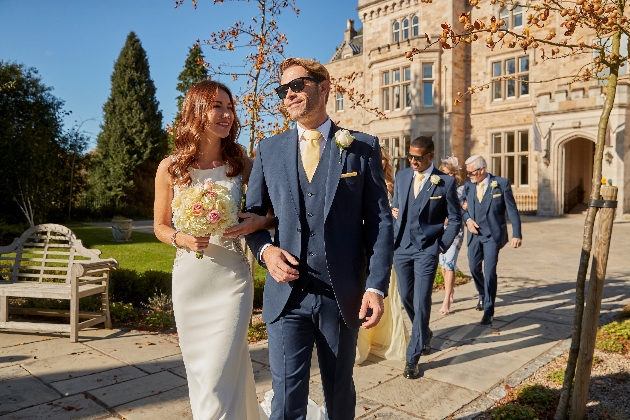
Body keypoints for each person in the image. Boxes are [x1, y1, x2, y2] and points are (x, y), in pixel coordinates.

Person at [244, 57, 394, 419]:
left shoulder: (362, 147)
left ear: (323, 87)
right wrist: (266, 252)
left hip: (342, 293)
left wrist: (375, 287)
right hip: (286, 296)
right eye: (283, 90)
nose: (289, 95)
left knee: (339, 391)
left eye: (297, 85)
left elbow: (380, 223)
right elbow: (252, 218)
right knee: (286, 398)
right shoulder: (269, 150)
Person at [153, 80, 275, 419]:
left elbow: (275, 215)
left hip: (232, 281)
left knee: (220, 371)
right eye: (216, 106)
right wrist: (184, 239)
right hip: (191, 282)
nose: (226, 114)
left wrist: (256, 224)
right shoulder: (171, 168)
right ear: (196, 111)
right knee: (203, 375)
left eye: (229, 107)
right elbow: (160, 226)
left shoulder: (241, 164)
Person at [391, 136, 461, 379]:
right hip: (401, 247)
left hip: (427, 249)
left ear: (430, 156)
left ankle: (413, 356)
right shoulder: (401, 176)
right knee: (406, 296)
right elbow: (396, 207)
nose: (413, 161)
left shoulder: (445, 183)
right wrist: (393, 215)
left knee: (421, 302)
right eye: (410, 156)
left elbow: (455, 219)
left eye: (418, 157)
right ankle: (425, 333)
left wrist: (441, 245)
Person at [355, 146, 409, 364]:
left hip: (385, 244)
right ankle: (362, 340)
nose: (381, 163)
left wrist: (397, 213)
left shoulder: (391, 186)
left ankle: (384, 340)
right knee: (362, 292)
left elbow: (403, 212)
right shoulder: (363, 181)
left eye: (384, 159)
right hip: (363, 243)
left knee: (385, 293)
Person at [462, 155, 522, 325]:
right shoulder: (468, 186)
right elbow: (461, 207)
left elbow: (512, 210)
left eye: (471, 172)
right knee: (474, 268)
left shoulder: (501, 184)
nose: (469, 176)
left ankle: (489, 309)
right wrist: (467, 220)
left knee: (489, 272)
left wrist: (517, 233)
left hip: (492, 236)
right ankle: (483, 294)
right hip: (474, 234)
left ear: (481, 170)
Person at [437, 156, 466, 315]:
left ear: (455, 174)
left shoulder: (461, 190)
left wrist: (464, 208)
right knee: (443, 265)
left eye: (450, 173)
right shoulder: (438, 188)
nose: (447, 176)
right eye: (444, 173)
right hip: (440, 230)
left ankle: (446, 299)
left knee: (449, 263)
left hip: (455, 231)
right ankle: (450, 290)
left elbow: (465, 209)